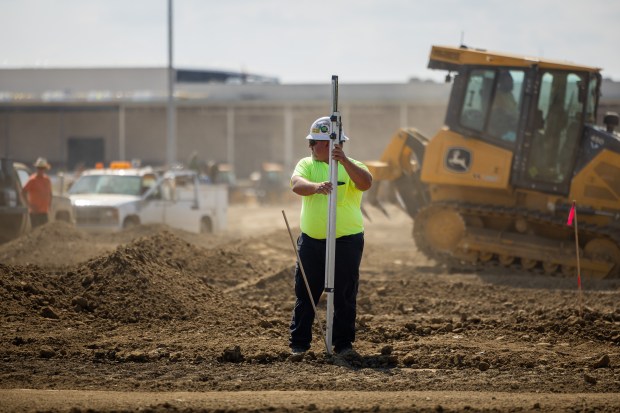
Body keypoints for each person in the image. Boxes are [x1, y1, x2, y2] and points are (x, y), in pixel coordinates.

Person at [289, 116, 372, 355]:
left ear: (328, 143)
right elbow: (296, 184)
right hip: (312, 242)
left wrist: (343, 161)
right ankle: (299, 344)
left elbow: (366, 183)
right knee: (305, 292)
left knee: (344, 293)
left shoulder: (354, 165)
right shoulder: (306, 164)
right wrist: (317, 187)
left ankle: (343, 345)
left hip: (347, 241)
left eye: (314, 141)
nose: (310, 146)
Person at [22, 157, 53, 229]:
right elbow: (23, 192)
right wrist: (29, 205)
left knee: (45, 232)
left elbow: (50, 193)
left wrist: (50, 205)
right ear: (37, 168)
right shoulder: (32, 180)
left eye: (42, 168)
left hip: (44, 212)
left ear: (45, 169)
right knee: (36, 232)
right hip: (35, 212)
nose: (41, 170)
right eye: (39, 168)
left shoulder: (47, 180)